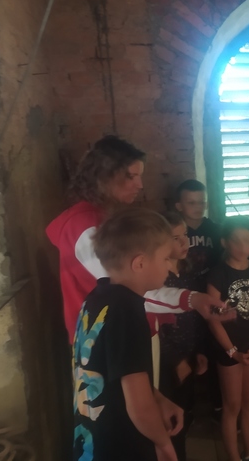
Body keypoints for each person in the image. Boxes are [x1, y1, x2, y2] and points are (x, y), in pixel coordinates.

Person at [46, 135, 226, 344]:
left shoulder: (106, 217)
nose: (140, 185)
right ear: (105, 176)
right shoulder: (84, 227)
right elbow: (130, 287)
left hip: (123, 328)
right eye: (131, 176)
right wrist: (190, 299)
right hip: (104, 339)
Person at [72, 208, 183, 461]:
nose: (170, 266)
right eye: (166, 258)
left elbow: (118, 371)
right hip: (120, 447)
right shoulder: (127, 313)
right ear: (140, 263)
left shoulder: (97, 298)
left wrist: (158, 398)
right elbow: (139, 407)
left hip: (91, 442)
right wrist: (164, 445)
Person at [206, 216, 249, 461]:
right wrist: (232, 352)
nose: (242, 246)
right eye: (235, 240)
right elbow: (212, 318)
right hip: (229, 350)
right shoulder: (218, 274)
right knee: (232, 406)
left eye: (247, 240)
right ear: (225, 242)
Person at [157, 211, 210, 461]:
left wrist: (200, 350)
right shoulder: (157, 278)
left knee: (185, 412)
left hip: (189, 353)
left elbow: (196, 315)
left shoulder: (189, 271)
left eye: (185, 235)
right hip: (166, 361)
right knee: (169, 420)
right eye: (175, 238)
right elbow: (156, 326)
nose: (184, 242)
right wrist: (175, 360)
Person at [174, 179, 223, 421]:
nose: (197, 207)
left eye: (201, 202)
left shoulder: (214, 229)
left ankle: (219, 403)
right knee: (186, 353)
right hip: (181, 301)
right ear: (179, 206)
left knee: (214, 349)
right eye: (191, 202)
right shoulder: (174, 233)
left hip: (211, 297)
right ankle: (185, 406)